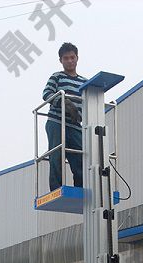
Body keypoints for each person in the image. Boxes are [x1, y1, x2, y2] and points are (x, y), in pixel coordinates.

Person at [42, 42, 87, 191]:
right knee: (56, 157)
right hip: (56, 122)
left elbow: (89, 102)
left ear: (77, 58)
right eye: (66, 58)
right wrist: (65, 102)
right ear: (60, 60)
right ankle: (56, 190)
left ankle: (81, 188)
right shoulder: (57, 77)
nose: (70, 61)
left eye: (72, 57)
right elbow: (47, 94)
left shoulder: (84, 82)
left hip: (75, 126)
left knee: (80, 158)